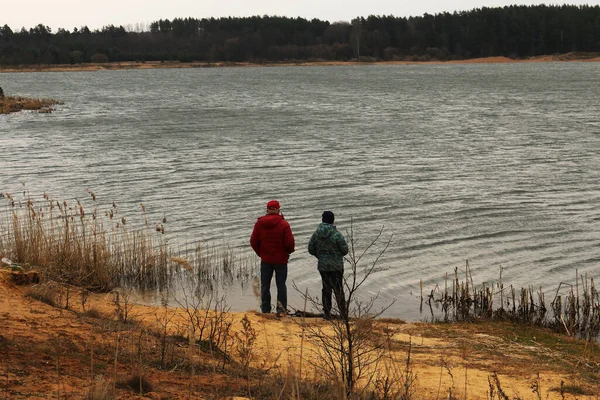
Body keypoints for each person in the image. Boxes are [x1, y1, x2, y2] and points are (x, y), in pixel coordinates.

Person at [250, 200, 295, 314]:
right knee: (281, 285)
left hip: (266, 260)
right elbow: (289, 243)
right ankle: (281, 310)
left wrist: (261, 253)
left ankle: (265, 310)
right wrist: (288, 252)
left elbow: (253, 241)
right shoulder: (284, 224)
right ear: (278, 210)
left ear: (267, 210)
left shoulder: (259, 224)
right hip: (281, 260)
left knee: (265, 286)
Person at [308, 211, 348, 319]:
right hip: (337, 266)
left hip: (323, 266)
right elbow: (345, 250)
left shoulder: (316, 234)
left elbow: (310, 249)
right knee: (338, 289)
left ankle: (326, 313)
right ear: (333, 220)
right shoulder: (337, 234)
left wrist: (320, 256)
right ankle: (343, 314)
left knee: (326, 288)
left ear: (322, 220)